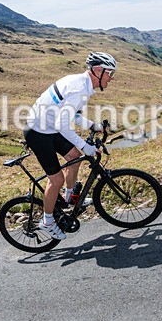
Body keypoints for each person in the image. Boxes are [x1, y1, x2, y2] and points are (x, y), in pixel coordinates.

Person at [24, 51, 116, 240]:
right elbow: (62, 125)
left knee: (74, 157)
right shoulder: (79, 89)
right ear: (98, 70)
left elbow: (71, 114)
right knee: (56, 179)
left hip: (48, 127)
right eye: (110, 73)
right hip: (38, 132)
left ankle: (69, 198)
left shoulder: (82, 84)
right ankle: (47, 221)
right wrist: (85, 146)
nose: (111, 78)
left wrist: (91, 125)